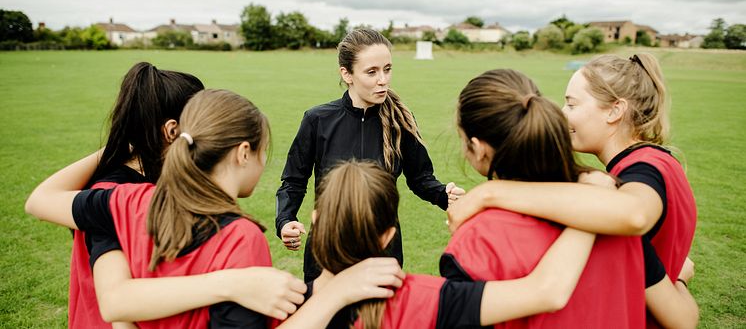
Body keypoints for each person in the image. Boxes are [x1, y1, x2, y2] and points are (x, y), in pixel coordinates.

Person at [27, 89, 396, 328]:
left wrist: (121, 148)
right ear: (243, 153)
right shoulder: (240, 238)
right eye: (263, 151)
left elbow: (41, 199)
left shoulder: (123, 199)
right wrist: (334, 291)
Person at [447, 63, 698, 328]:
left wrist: (491, 192)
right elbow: (683, 318)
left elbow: (633, 213)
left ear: (477, 147)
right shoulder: (605, 205)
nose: (562, 114)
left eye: (571, 104)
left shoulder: (479, 240)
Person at [306, 159, 597, 328]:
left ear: (315, 220)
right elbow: (547, 291)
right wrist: (592, 207)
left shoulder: (279, 301)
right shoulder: (427, 299)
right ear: (388, 235)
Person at [275, 28, 464, 281]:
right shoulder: (317, 120)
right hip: (327, 254)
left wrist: (445, 196)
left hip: (383, 252)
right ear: (347, 74)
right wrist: (285, 220)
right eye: (372, 72)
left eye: (387, 69)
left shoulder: (401, 122)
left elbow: (421, 179)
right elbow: (294, 181)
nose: (383, 79)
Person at [69, 61, 206, 329]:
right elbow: (120, 313)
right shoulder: (113, 194)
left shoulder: (159, 178)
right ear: (172, 131)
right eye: (205, 121)